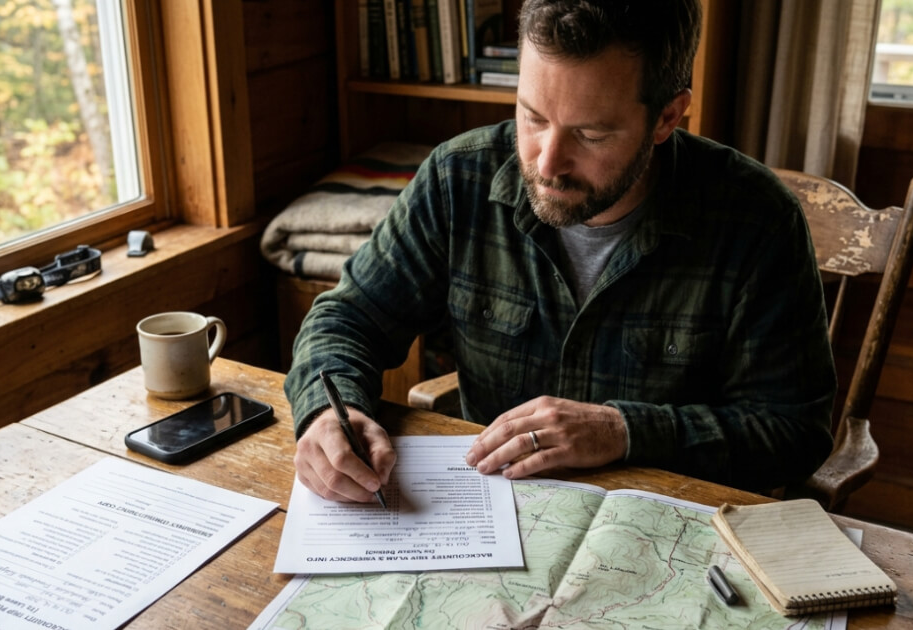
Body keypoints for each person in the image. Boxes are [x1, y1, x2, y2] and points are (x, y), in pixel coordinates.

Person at [285, 0, 836, 504]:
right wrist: (330, 412)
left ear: (668, 116)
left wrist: (623, 431)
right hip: (491, 516)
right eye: (533, 117)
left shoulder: (757, 220)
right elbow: (348, 317)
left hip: (665, 530)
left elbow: (793, 431)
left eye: (591, 135)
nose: (546, 164)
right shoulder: (459, 179)